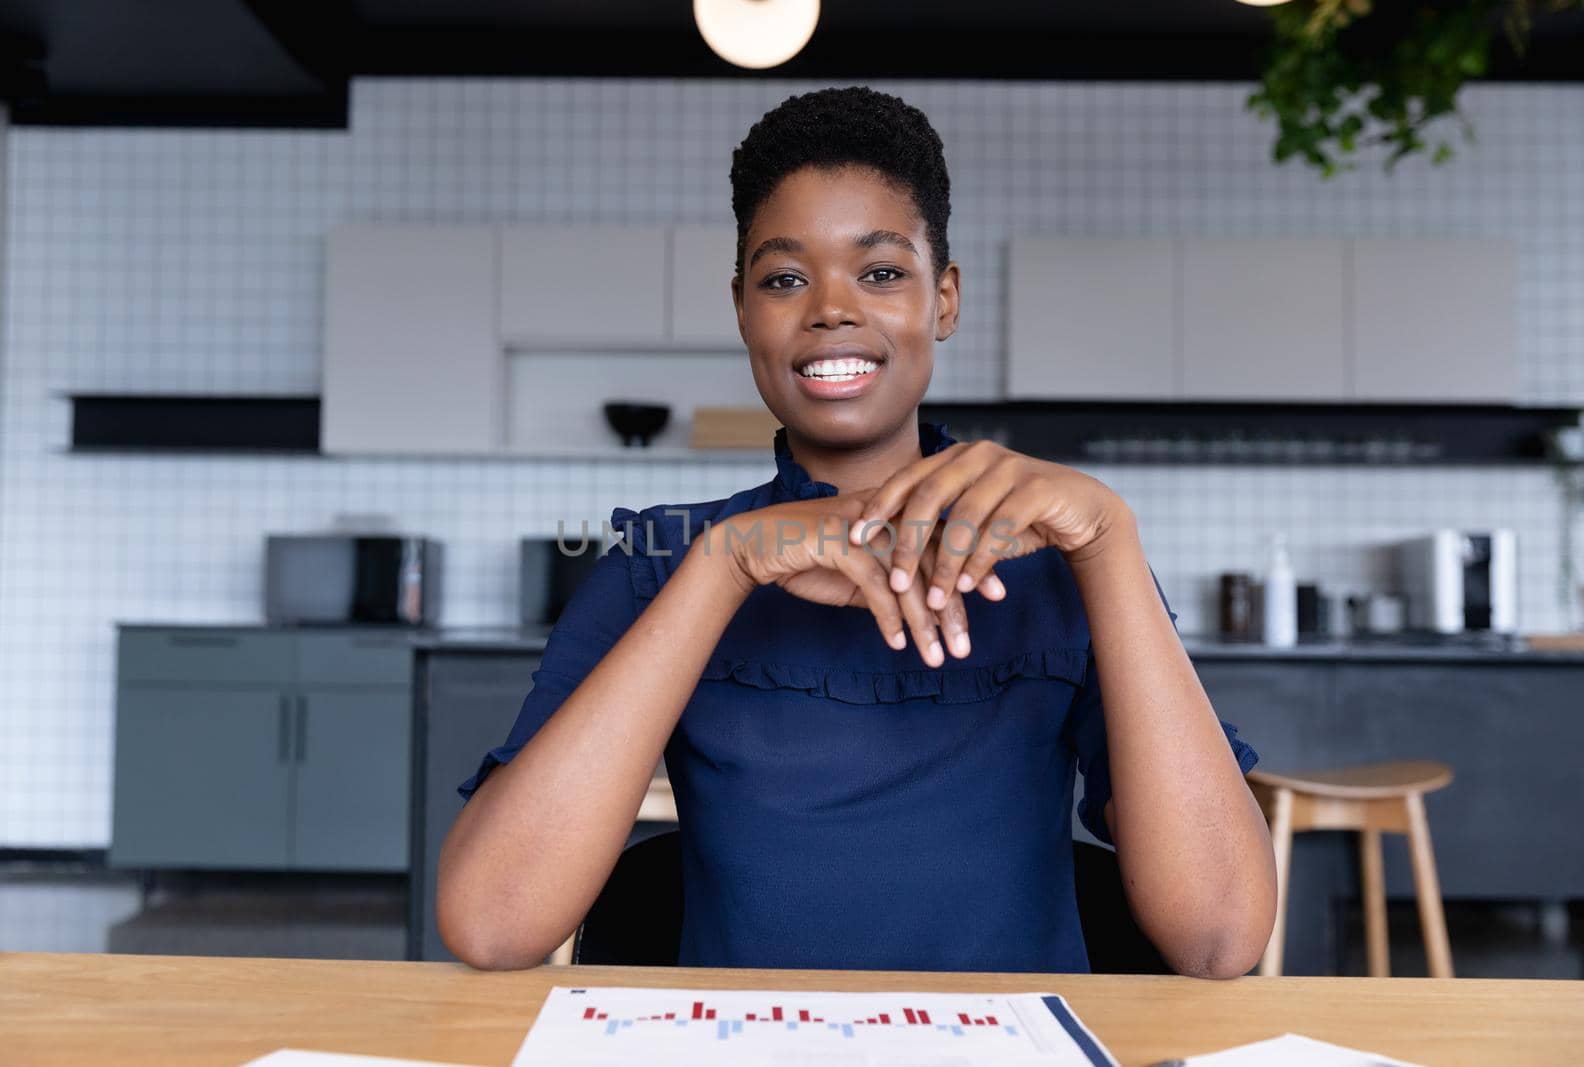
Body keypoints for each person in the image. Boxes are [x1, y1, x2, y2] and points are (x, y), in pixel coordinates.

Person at [436, 86, 1277, 977]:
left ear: (944, 299)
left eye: (880, 273)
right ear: (742, 309)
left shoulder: (1061, 563)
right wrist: (722, 568)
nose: (830, 308)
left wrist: (1111, 541)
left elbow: (1220, 937)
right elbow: (493, 924)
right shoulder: (661, 562)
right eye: (784, 277)